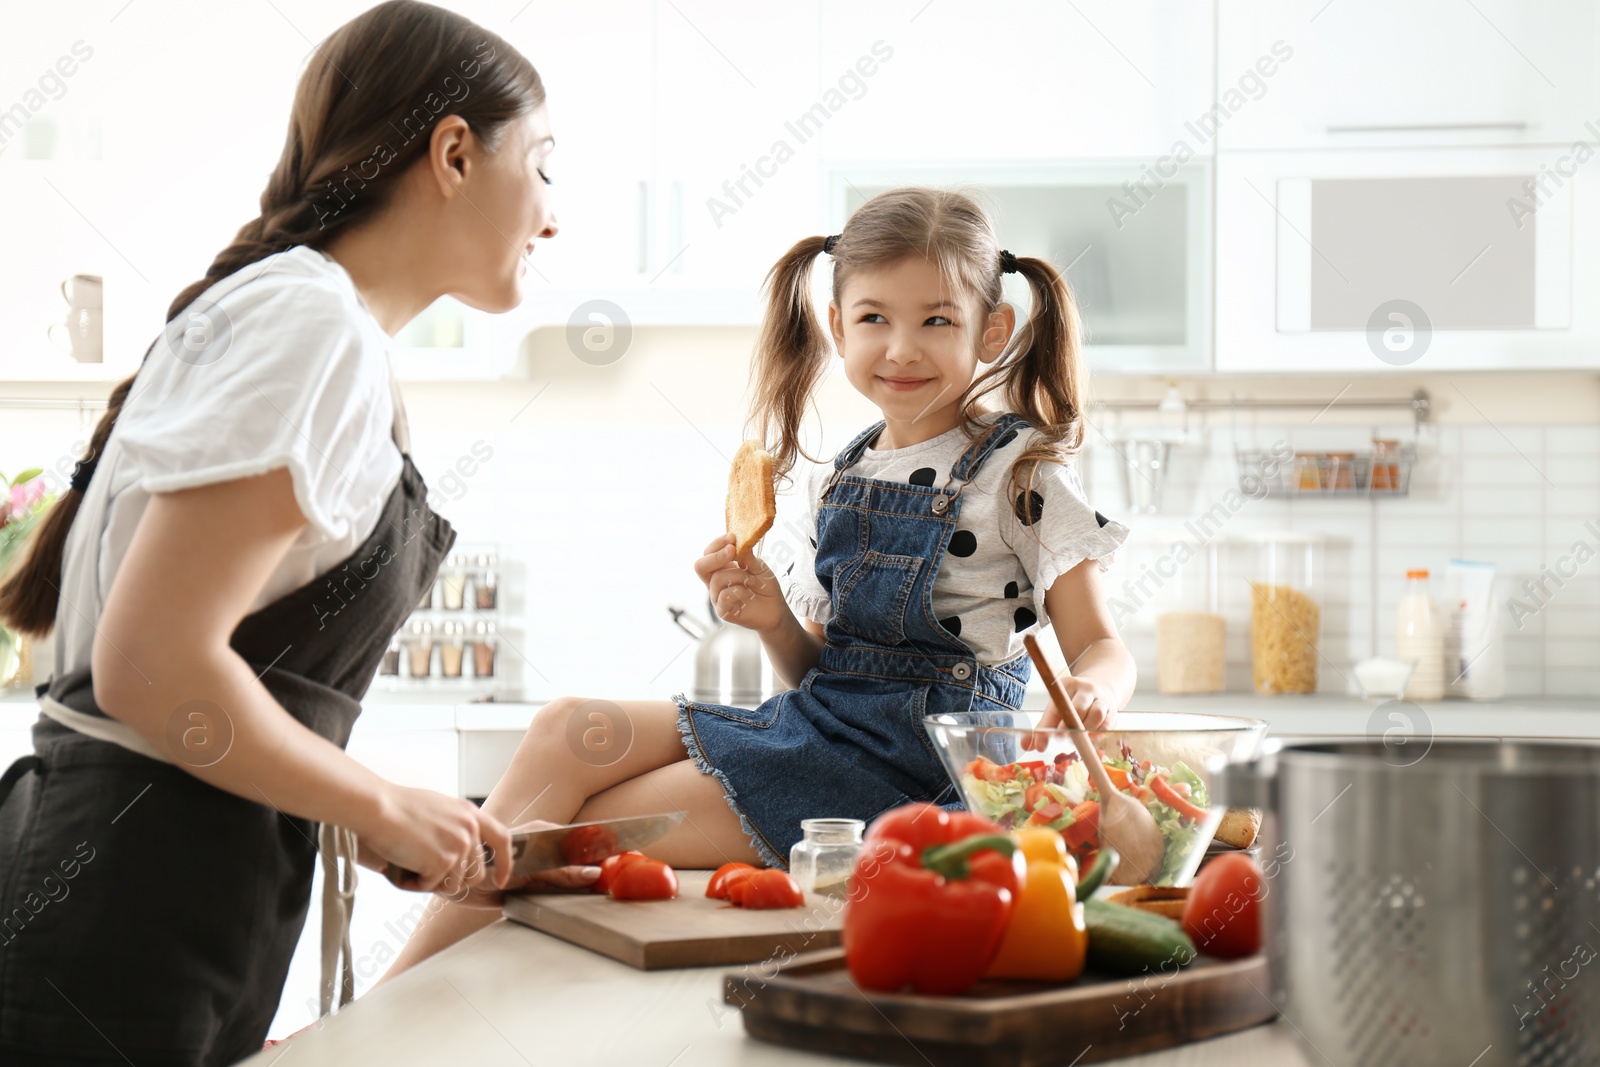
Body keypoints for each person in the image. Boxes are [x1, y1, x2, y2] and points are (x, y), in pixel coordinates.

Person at [0, 4, 586, 1063]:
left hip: (158, 896)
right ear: (453, 152)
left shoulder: (304, 318)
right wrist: (382, 800)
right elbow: (151, 668)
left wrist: (366, 814)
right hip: (124, 913)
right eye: (544, 165)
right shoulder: (314, 326)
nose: (553, 216)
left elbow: (193, 677)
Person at [384, 186, 1136, 975]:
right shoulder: (840, 475)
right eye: (874, 318)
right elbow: (823, 674)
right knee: (565, 729)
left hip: (925, 777)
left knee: (561, 837)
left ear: (992, 331)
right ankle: (390, 1003)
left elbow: (1103, 647)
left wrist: (1093, 691)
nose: (902, 348)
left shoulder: (1024, 474)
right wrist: (775, 618)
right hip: (820, 729)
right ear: (838, 326)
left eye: (936, 320)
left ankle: (380, 1022)